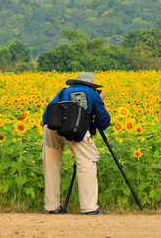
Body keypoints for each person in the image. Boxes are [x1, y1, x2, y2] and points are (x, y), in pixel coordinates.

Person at [42, 72, 111, 215]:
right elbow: (104, 121)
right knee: (86, 160)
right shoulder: (92, 94)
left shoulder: (63, 92)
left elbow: (46, 114)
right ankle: (89, 208)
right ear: (92, 86)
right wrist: (100, 100)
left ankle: (53, 207)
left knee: (51, 164)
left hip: (50, 127)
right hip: (72, 127)